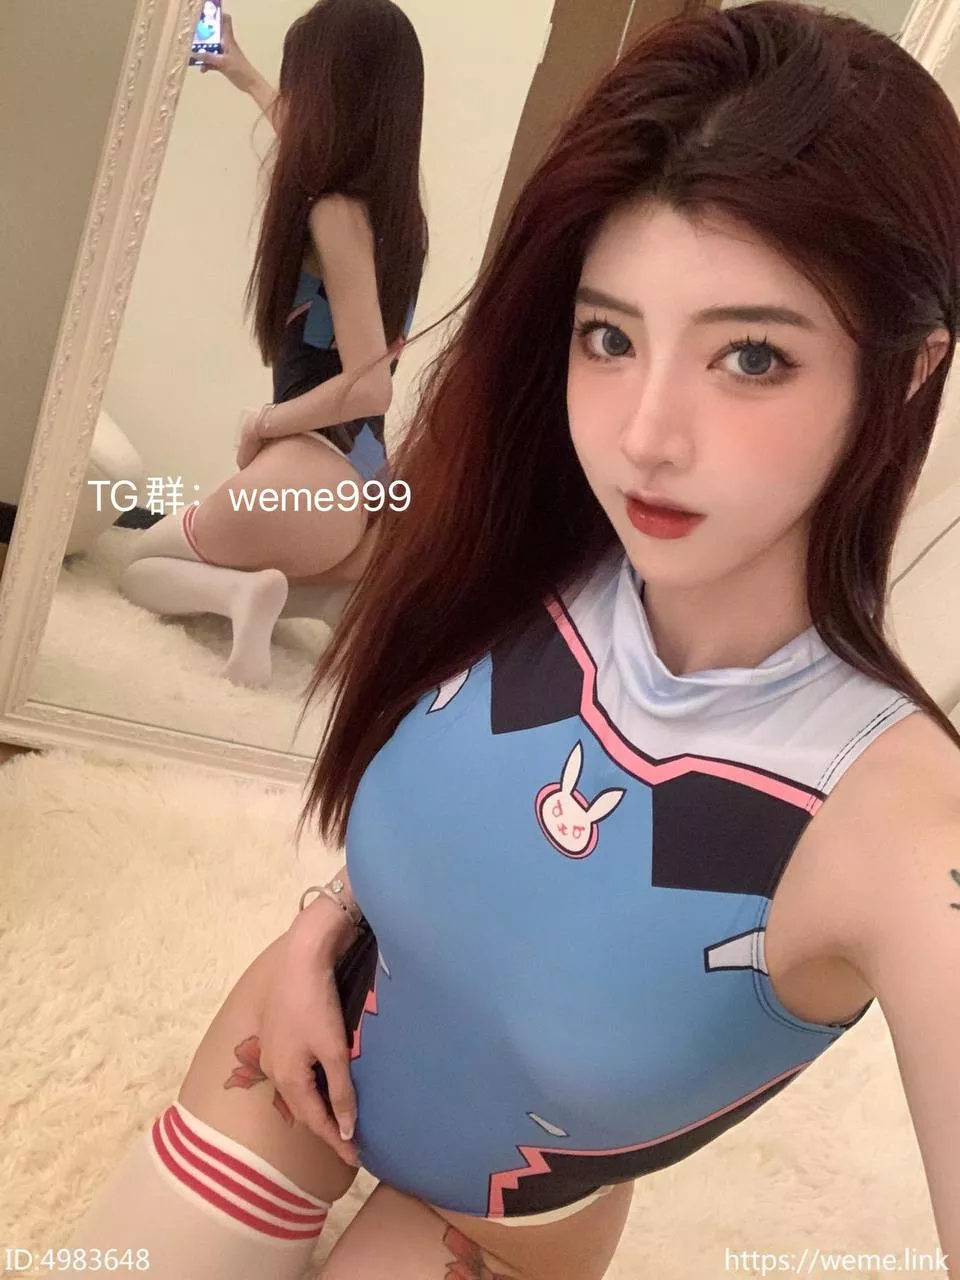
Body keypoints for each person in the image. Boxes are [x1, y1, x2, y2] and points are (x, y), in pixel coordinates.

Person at [66, 2, 960, 1276]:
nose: (644, 434)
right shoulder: (520, 544)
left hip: (500, 1212)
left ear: (908, 370)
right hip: (291, 1028)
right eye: (610, 337)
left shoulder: (899, 817)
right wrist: (326, 919)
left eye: (753, 356)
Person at [120, 0, 427, 686]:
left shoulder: (334, 214)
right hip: (362, 486)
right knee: (200, 551)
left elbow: (370, 385)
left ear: (330, 92)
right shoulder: (394, 211)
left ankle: (241, 596)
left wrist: (263, 423)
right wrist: (244, 74)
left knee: (141, 564)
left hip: (309, 479)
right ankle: (325, 599)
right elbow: (304, 144)